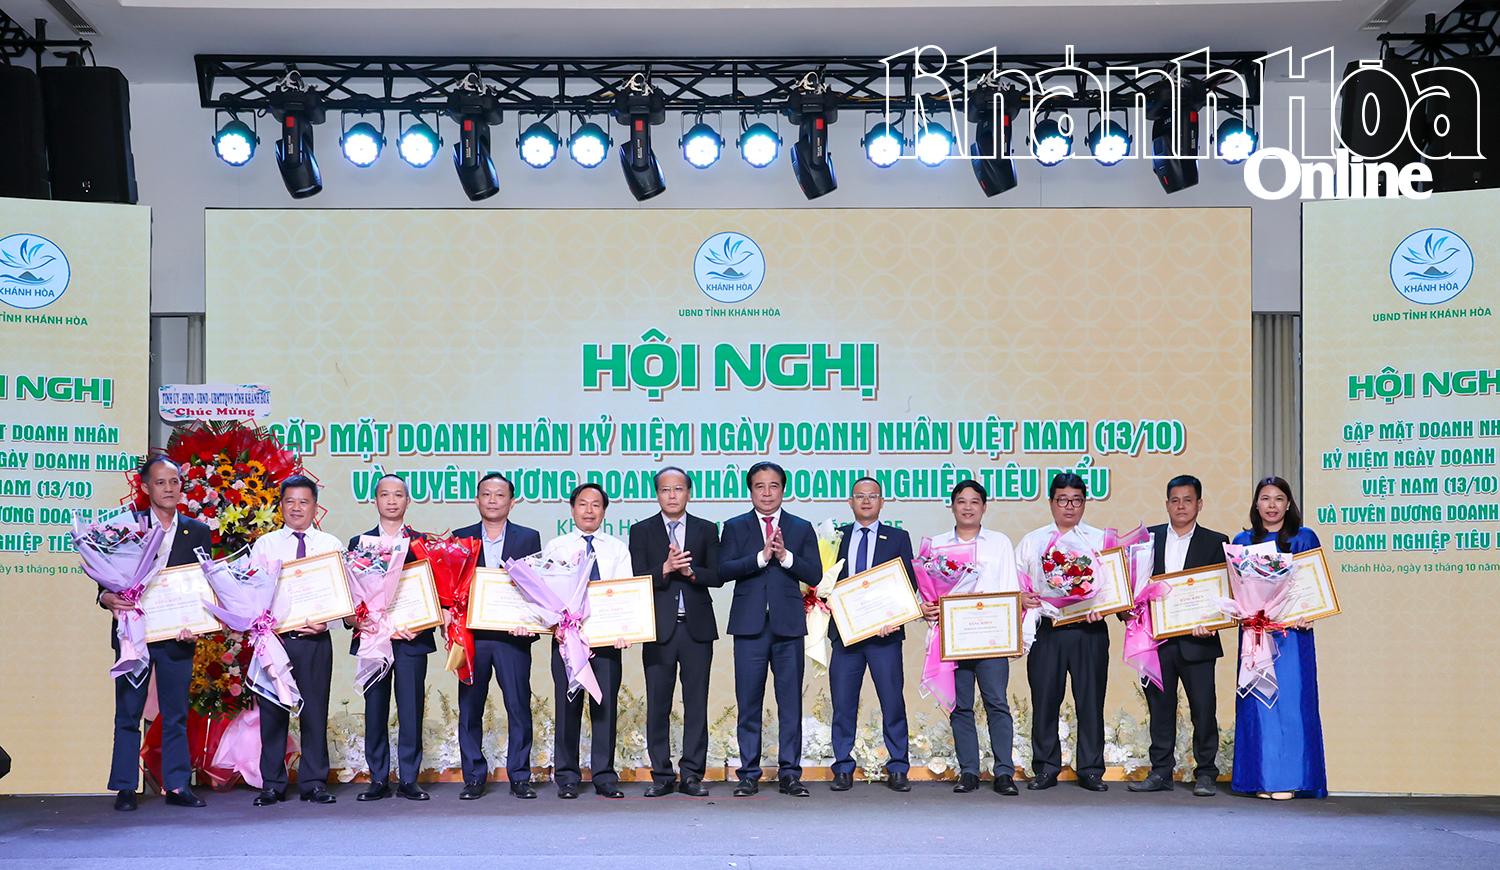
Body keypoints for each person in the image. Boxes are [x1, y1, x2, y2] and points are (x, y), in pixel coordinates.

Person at [100, 455, 212, 811]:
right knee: (128, 712)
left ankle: (177, 785)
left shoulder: (197, 531)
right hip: (134, 632)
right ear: (146, 487)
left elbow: (203, 584)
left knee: (176, 713)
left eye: (174, 481)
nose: (168, 488)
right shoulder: (126, 527)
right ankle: (125, 787)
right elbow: (107, 577)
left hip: (177, 634)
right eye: (160, 482)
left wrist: (198, 623)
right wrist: (105, 597)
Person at [922, 479, 1039, 796]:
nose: (968, 507)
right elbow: (928, 592)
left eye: (974, 501)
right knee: (960, 707)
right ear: (952, 506)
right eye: (961, 501)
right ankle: (969, 772)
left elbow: (1010, 588)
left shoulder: (999, 542)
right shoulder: (937, 546)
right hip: (954, 638)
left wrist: (1014, 633)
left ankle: (1004, 772)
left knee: (996, 703)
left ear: (984, 507)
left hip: (991, 637)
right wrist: (926, 608)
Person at [718, 461, 821, 798]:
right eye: (759, 486)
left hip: (788, 627)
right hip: (749, 627)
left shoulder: (800, 527)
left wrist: (785, 556)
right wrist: (761, 558)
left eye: (773, 486)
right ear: (750, 491)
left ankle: (790, 774)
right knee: (749, 702)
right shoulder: (735, 527)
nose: (766, 492)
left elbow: (815, 573)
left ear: (783, 489)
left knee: (790, 703)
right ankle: (749, 773)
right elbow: (723, 569)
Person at [1128, 475, 1229, 798]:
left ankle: (1206, 773)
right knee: (1159, 710)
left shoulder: (1216, 542)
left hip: (1198, 642)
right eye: (1175, 500)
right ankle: (1160, 772)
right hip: (1155, 641)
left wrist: (1215, 621)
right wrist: (1128, 612)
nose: (1181, 506)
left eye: (1188, 500)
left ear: (1200, 504)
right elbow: (1132, 586)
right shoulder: (1148, 539)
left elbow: (1225, 592)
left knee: (1203, 709)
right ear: (1167, 504)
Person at [248, 475, 343, 806]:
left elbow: (344, 595)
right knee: (273, 713)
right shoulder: (266, 545)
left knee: (315, 711)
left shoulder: (331, 545)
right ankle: (272, 783)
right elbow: (251, 593)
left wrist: (328, 621)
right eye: (290, 501)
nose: (297, 508)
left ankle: (314, 782)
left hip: (316, 641)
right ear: (281, 506)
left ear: (315, 506)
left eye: (304, 502)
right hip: (275, 641)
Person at [1231, 476, 1327, 800]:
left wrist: (1310, 612)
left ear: (1288, 504)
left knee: (1291, 704)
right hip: (1256, 635)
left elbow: (1314, 585)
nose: (1271, 505)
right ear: (1256, 504)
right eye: (1265, 498)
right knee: (1258, 705)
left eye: (1278, 499)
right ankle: (1262, 778)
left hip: (1292, 635)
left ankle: (1291, 779)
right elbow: (1236, 588)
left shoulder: (1304, 538)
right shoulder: (1242, 541)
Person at [629, 467, 721, 798]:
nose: (672, 495)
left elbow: (718, 574)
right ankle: (662, 775)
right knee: (658, 704)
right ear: (657, 494)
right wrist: (666, 568)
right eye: (666, 489)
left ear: (688, 493)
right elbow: (636, 576)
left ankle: (692, 774)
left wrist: (692, 572)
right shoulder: (641, 530)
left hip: (697, 629)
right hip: (659, 629)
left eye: (678, 489)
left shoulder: (706, 529)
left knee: (696, 704)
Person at [1016, 472, 1111, 792]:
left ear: (1085, 503)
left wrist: (1106, 606)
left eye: (1076, 500)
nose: (1069, 507)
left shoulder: (1100, 540)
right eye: (1062, 500)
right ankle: (1045, 767)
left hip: (1089, 629)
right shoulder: (1033, 541)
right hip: (1049, 630)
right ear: (1051, 502)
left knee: (1091, 701)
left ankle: (1091, 769)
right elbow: (1015, 584)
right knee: (1044, 700)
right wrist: (1022, 598)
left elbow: (1115, 587)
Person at [451, 472, 543, 801]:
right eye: (486, 494)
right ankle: (474, 777)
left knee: (518, 706)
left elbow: (534, 586)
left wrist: (529, 621)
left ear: (511, 502)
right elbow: (452, 587)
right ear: (476, 500)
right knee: (470, 708)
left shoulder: (528, 537)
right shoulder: (461, 537)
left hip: (512, 637)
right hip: (472, 636)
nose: (492, 500)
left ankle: (519, 776)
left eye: (500, 495)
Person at [542, 483, 633, 799]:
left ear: (604, 511)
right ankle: (567, 777)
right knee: (567, 708)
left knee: (604, 708)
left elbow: (625, 593)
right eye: (583, 504)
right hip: (567, 642)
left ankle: (604, 776)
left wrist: (625, 630)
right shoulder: (556, 546)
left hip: (606, 642)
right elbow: (545, 592)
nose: (589, 510)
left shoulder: (617, 548)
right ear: (572, 509)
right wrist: (555, 624)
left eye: (596, 504)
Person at [828, 477, 916, 793]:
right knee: (843, 704)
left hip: (885, 636)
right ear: (850, 502)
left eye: (873, 495)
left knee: (892, 702)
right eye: (860, 496)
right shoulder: (835, 538)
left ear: (882, 502)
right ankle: (842, 767)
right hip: (846, 635)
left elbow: (909, 583)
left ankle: (898, 767)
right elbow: (824, 581)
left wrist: (895, 617)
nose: (866, 501)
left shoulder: (898, 538)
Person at [348, 473, 432, 802]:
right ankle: (378, 778)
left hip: (411, 639)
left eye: (398, 494)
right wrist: (361, 618)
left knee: (411, 709)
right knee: (375, 708)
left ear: (408, 501)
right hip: (373, 638)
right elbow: (351, 595)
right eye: (385, 494)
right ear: (376, 500)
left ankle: (409, 779)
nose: (392, 500)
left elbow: (435, 593)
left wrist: (423, 624)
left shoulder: (422, 543)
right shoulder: (359, 543)